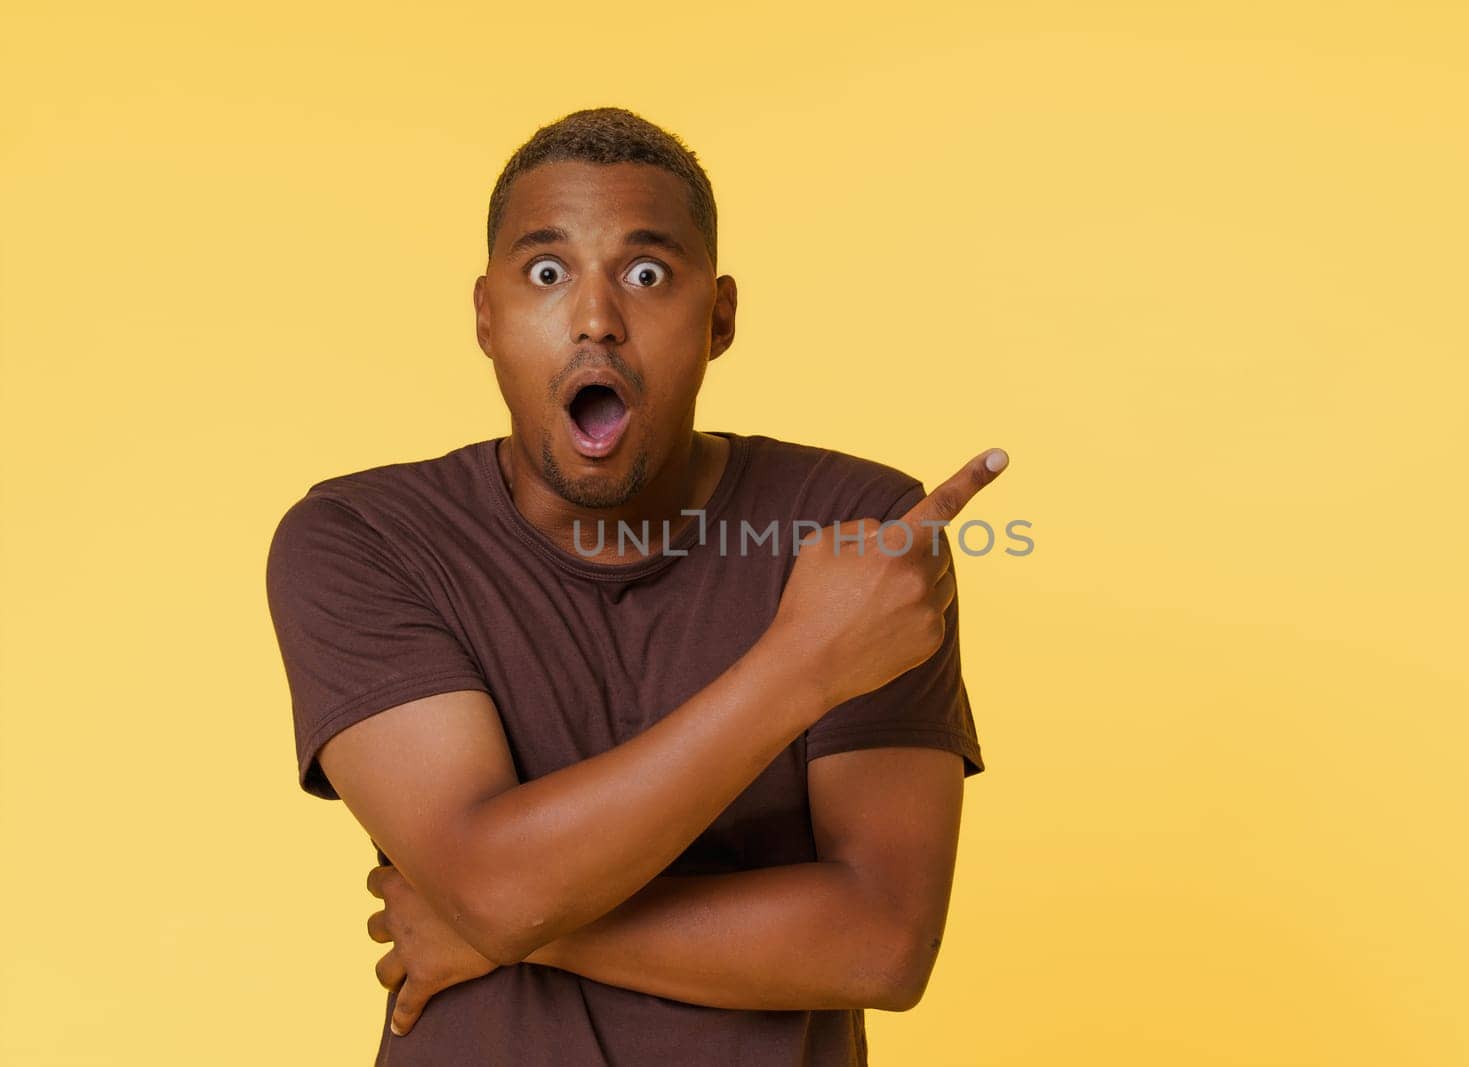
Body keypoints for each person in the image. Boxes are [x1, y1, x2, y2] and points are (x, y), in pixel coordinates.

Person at [264, 105, 1007, 1066]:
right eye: (546, 273)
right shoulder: (364, 540)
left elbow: (882, 941)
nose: (596, 317)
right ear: (486, 316)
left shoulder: (859, 530)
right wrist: (804, 664)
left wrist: (507, 924)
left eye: (647, 274)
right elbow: (492, 884)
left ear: (721, 315)